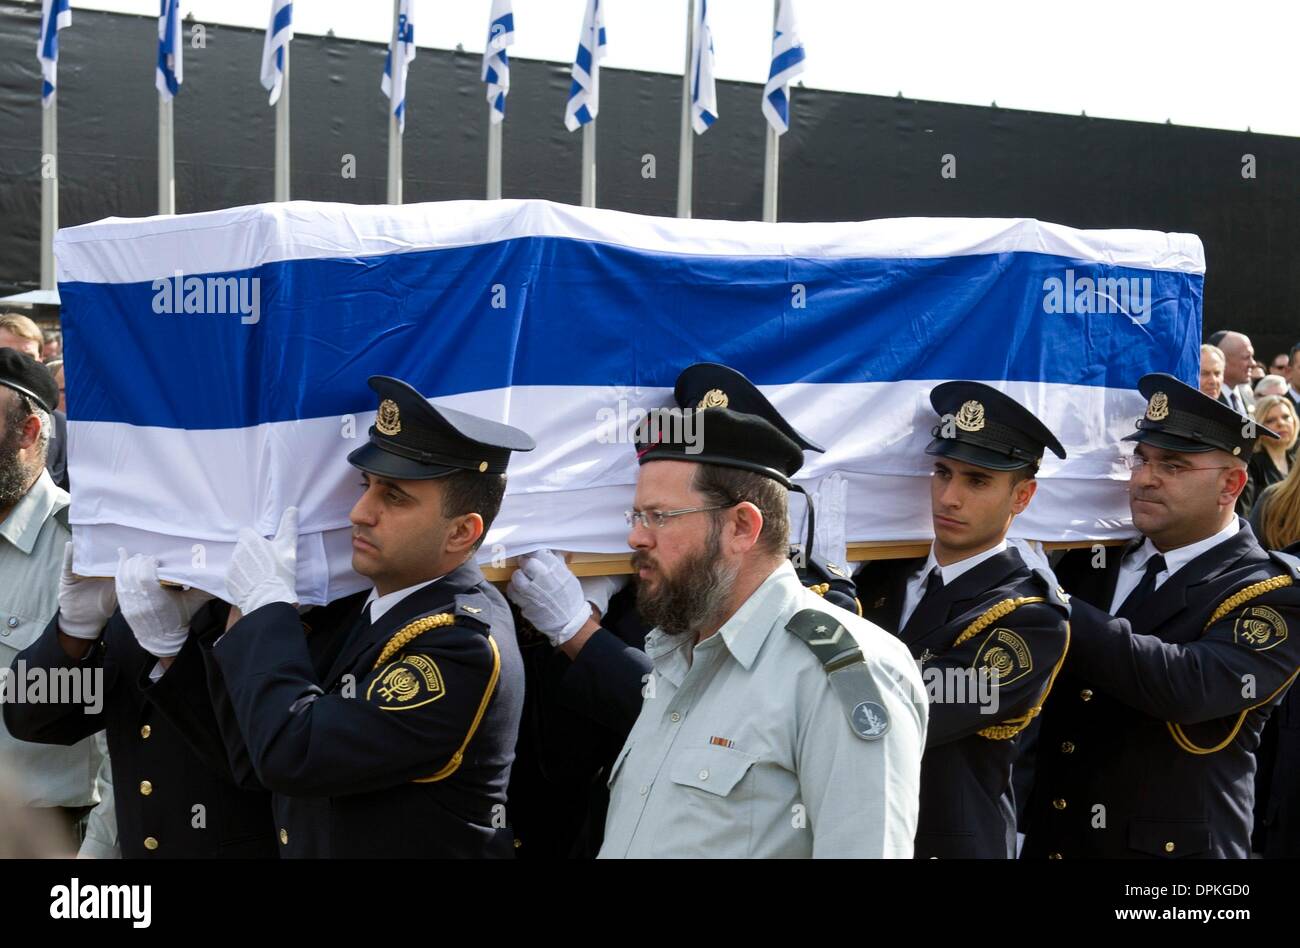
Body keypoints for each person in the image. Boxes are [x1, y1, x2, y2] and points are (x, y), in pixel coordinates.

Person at [140, 376, 534, 857]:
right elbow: (252, 758)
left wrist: (267, 610)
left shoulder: (460, 644)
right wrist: (176, 649)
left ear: (461, 532)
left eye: (395, 497)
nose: (360, 512)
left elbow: (295, 754)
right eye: (366, 486)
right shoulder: (373, 610)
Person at [597, 362, 927, 858]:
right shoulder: (676, 654)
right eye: (637, 515)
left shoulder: (846, 669)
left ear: (741, 527)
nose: (636, 536)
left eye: (660, 516)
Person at [1022, 373, 1300, 859]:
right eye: (1142, 459)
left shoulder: (1270, 591)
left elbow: (1186, 685)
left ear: (1230, 484)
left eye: (1173, 466)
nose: (1145, 478)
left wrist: (1059, 603)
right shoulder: (1093, 562)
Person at [854, 382, 1070, 858]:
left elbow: (898, 714)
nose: (949, 497)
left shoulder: (1029, 617)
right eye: (942, 472)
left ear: (1023, 497)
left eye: (977, 481)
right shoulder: (880, 576)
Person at [4, 547, 278, 858]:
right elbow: (32, 720)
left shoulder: (257, 587)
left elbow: (262, 758)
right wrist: (73, 630)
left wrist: (174, 655)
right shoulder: (133, 584)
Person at [0, 350, 115, 857]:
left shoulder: (86, 547)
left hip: (45, 834)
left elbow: (124, 730)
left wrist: (97, 854)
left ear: (27, 433)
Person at [0, 314, 65, 490]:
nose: (11, 365)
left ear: (40, 360)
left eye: (25, 357)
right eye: (3, 353)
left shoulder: (61, 426)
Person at [1238, 394, 1297, 516]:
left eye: (1286, 417)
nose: (1281, 423)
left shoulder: (1296, 461)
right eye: (1270, 420)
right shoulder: (1250, 464)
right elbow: (1244, 514)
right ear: (1259, 426)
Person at [1209, 330, 1255, 415]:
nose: (1253, 363)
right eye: (1246, 357)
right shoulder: (1208, 399)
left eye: (1252, 357)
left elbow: (1251, 428)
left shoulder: (1249, 398)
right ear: (1223, 360)